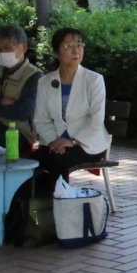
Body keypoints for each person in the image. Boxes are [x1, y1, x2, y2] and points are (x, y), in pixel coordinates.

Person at [30, 28, 109, 179]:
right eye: (68, 46)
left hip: (87, 144)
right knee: (31, 163)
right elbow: (41, 119)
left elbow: (96, 119)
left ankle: (59, 195)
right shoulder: (45, 82)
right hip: (54, 142)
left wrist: (72, 141)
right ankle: (37, 195)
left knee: (57, 161)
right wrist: (54, 143)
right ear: (56, 52)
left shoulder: (94, 80)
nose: (76, 50)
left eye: (79, 45)